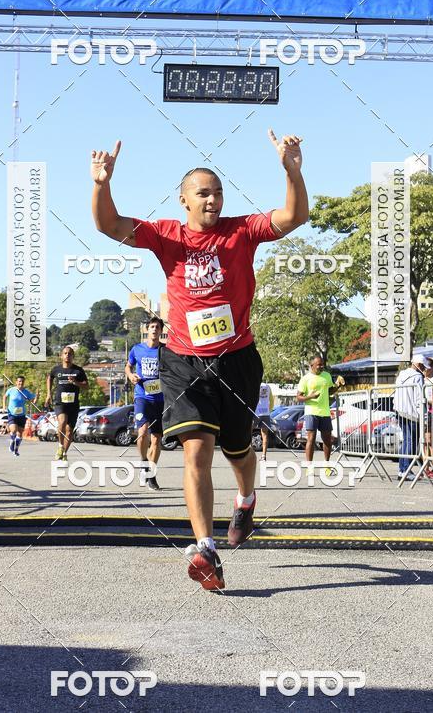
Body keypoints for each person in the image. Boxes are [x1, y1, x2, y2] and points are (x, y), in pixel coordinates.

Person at [91, 130, 308, 590]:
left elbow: (293, 217)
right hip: (184, 361)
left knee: (239, 450)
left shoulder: (242, 230)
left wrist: (292, 172)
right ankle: (205, 547)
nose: (213, 200)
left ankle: (246, 499)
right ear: (184, 200)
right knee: (196, 450)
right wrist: (101, 183)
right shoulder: (166, 235)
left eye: (218, 193)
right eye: (203, 193)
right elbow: (109, 226)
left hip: (237, 359)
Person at [126, 316, 165, 491]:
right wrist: (131, 375)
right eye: (152, 327)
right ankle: (143, 462)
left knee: (157, 439)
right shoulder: (137, 349)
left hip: (161, 399)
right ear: (147, 330)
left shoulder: (165, 351)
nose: (154, 329)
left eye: (157, 327)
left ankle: (151, 475)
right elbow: (128, 366)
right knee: (142, 432)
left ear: (161, 331)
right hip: (142, 397)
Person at [297, 356, 344, 475]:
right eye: (319, 364)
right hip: (311, 412)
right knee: (311, 439)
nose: (321, 366)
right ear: (311, 365)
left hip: (324, 412)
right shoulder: (305, 378)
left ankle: (327, 466)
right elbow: (298, 397)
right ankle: (309, 467)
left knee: (327, 440)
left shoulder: (326, 376)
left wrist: (337, 385)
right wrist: (310, 397)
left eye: (322, 364)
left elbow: (329, 392)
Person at [45, 346, 88, 462]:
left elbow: (86, 386)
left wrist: (76, 382)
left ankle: (64, 452)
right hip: (60, 402)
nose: (67, 355)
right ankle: (60, 446)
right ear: (61, 356)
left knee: (69, 431)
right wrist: (48, 394)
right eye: (65, 353)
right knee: (62, 422)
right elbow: (49, 378)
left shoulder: (78, 371)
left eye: (70, 353)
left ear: (73, 356)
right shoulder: (56, 369)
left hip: (73, 404)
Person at [394, 354, 431, 481]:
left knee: (405, 441)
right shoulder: (418, 377)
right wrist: (424, 417)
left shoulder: (401, 375)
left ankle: (402, 469)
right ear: (419, 365)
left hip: (400, 410)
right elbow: (418, 399)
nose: (424, 369)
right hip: (412, 413)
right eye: (423, 366)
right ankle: (407, 470)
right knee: (411, 441)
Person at [3, 376, 38, 456]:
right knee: (14, 430)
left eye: (22, 381)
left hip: (22, 415)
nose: (20, 383)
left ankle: (16, 449)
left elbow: (33, 401)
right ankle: (12, 443)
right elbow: (4, 397)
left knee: (20, 434)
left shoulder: (26, 392)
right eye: (19, 381)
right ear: (16, 382)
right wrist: (4, 407)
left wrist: (37, 397)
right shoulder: (11, 390)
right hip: (12, 414)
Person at [254, 382, 274, 461]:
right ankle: (263, 456)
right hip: (266, 414)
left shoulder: (254, 385)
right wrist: (269, 411)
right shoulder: (268, 387)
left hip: (256, 413)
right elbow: (271, 401)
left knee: (248, 433)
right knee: (265, 436)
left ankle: (249, 454)